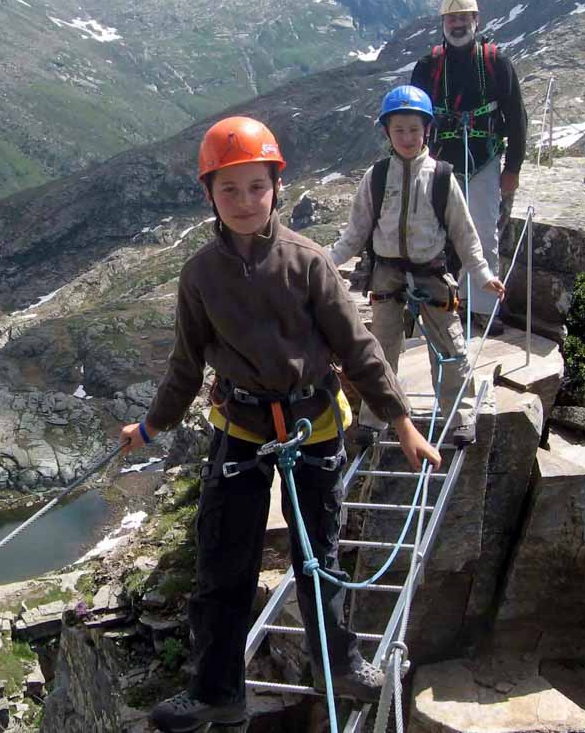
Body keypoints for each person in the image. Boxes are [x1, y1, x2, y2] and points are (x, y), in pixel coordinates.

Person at [119, 115, 441, 732]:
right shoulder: (200, 276)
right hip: (240, 427)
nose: (244, 201)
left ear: (276, 187)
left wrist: (400, 419)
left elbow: (358, 347)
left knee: (317, 556)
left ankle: (337, 661)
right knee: (222, 563)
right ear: (210, 195)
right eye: (230, 189)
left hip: (311, 424)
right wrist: (151, 428)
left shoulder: (308, 261)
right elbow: (185, 368)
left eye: (256, 187)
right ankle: (218, 691)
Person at [329, 86, 505, 448]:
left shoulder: (442, 177)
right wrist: (324, 262)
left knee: (450, 345)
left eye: (413, 129)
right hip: (387, 274)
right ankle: (375, 419)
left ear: (427, 129)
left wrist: (483, 274)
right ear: (387, 132)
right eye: (399, 130)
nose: (407, 137)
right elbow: (356, 231)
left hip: (431, 273)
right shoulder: (376, 178)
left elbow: (464, 233)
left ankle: (459, 415)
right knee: (381, 349)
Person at [410, 0, 527, 333]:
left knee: (482, 233)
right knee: (433, 234)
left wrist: (513, 169)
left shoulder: (496, 63)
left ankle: (482, 308)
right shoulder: (428, 66)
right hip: (439, 162)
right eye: (452, 18)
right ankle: (438, 303)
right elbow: (413, 116)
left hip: (483, 159)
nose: (458, 24)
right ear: (443, 23)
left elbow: (516, 117)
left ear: (476, 20)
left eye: (464, 18)